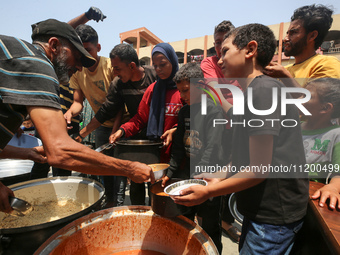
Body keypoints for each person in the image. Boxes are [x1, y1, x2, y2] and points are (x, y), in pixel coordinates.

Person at [173, 23, 309, 254]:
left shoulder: (263, 91)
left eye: (225, 50)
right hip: (259, 210)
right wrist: (217, 177)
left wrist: (209, 192)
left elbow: (258, 168)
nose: (219, 59)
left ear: (250, 49)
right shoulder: (251, 93)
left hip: (273, 215)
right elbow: (244, 158)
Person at [0, 19, 154, 213]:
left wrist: (24, 153)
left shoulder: (18, 55)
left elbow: (112, 108)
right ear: (54, 45)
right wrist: (129, 168)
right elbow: (60, 152)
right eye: (77, 58)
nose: (80, 69)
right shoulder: (37, 63)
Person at [78, 43, 157, 206]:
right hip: (134, 134)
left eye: (118, 68)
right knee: (137, 182)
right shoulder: (118, 83)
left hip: (158, 136)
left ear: (132, 66)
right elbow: (106, 111)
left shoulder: (154, 77)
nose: (114, 73)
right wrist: (82, 134)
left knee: (156, 181)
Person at [161, 62, 225, 253]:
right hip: (189, 175)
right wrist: (170, 171)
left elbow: (212, 148)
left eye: (186, 90)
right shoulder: (184, 113)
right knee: (186, 221)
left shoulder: (213, 111)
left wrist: (198, 179)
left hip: (210, 178)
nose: (182, 96)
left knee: (210, 228)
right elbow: (179, 146)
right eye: (180, 91)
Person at [110, 43, 184, 205]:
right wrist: (122, 131)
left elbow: (194, 120)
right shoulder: (152, 90)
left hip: (179, 157)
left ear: (173, 61)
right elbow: (140, 119)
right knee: (157, 199)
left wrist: (176, 130)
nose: (158, 69)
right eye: (155, 65)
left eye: (163, 64)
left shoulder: (184, 89)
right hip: (157, 156)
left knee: (177, 200)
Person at [64, 24, 123, 207]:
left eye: (88, 50)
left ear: (98, 48)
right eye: (80, 51)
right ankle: (108, 203)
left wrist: (116, 129)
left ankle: (119, 204)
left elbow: (118, 105)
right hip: (101, 126)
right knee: (103, 165)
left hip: (121, 124)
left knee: (119, 167)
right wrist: (68, 113)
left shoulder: (109, 67)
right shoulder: (78, 72)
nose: (84, 56)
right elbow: (77, 103)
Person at [200, 19, 241, 242]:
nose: (219, 49)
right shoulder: (209, 63)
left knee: (234, 176)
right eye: (216, 43)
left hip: (239, 128)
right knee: (217, 176)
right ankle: (216, 221)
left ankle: (227, 221)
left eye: (224, 44)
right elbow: (215, 91)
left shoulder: (241, 66)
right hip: (220, 127)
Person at [265, 4, 340, 90]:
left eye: (293, 33)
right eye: (287, 33)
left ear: (312, 36)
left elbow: (316, 102)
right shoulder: (283, 70)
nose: (285, 39)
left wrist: (285, 78)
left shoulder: (327, 64)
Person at [300, 78, 340, 209]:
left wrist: (333, 187)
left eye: (306, 96)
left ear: (325, 107)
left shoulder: (336, 134)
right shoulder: (292, 127)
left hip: (310, 198)